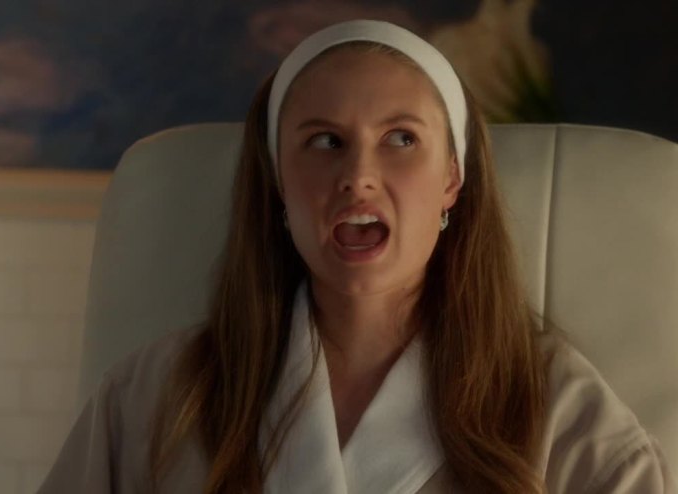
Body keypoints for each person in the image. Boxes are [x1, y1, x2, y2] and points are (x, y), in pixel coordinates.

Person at [38, 20, 675, 493]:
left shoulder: (560, 410)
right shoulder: (154, 398)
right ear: (278, 182)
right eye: (325, 142)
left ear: (452, 179)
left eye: (401, 138)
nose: (359, 176)